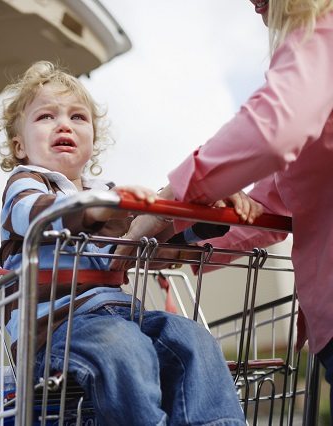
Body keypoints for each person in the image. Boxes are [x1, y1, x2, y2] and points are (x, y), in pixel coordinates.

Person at [0, 61, 247, 425]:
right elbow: (32, 215)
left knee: (193, 341)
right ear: (19, 145)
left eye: (78, 117)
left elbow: (151, 243)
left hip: (123, 317)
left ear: (93, 141)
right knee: (123, 347)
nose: (64, 124)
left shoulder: (106, 196)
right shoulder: (26, 185)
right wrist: (96, 210)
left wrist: (203, 220)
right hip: (55, 333)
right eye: (46, 117)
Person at [127, 0, 333, 412]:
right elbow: (273, 205)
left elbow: (271, 131)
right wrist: (187, 238)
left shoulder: (321, 31)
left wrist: (169, 199)